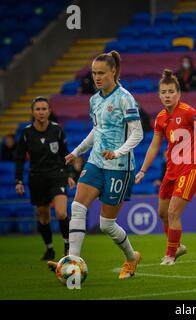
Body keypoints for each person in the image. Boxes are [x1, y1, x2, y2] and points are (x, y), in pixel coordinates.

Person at [48, 51, 144, 279]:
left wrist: (118, 151)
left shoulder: (125, 98)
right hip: (95, 162)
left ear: (113, 72)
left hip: (119, 167)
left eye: (101, 73)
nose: (97, 77)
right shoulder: (94, 99)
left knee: (106, 225)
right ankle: (72, 263)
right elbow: (97, 130)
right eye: (93, 73)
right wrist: (76, 151)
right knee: (77, 207)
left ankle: (131, 258)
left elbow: (138, 133)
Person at [135, 69, 196, 266]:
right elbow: (155, 145)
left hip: (191, 168)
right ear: (159, 95)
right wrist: (143, 170)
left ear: (178, 93)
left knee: (173, 212)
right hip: (171, 170)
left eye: (171, 91)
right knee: (162, 214)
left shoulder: (188, 112)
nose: (167, 95)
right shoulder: (160, 118)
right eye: (163, 92)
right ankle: (177, 245)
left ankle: (170, 254)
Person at [15, 97, 75, 260]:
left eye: (44, 109)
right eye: (38, 109)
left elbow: (65, 153)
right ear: (33, 112)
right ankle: (49, 248)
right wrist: (18, 180)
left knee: (61, 213)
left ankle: (68, 246)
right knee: (44, 217)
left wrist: (69, 174)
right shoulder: (26, 133)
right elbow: (19, 158)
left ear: (49, 111)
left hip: (57, 175)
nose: (41, 112)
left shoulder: (57, 130)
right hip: (37, 178)